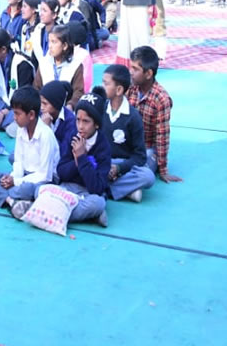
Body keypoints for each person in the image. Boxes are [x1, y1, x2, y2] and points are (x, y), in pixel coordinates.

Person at [0, 86, 58, 217]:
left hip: (43, 181)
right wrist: (12, 177)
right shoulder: (21, 130)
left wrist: (15, 182)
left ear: (31, 115)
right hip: (23, 176)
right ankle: (11, 201)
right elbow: (18, 162)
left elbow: (45, 175)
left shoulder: (46, 135)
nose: (14, 118)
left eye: (17, 114)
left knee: (26, 189)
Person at [57, 90, 111, 227]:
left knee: (98, 203)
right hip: (68, 188)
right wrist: (75, 163)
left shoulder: (103, 146)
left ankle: (59, 214)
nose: (80, 126)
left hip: (88, 192)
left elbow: (97, 188)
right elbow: (61, 172)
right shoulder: (72, 136)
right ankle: (90, 216)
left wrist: (81, 158)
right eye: (78, 120)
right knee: (41, 190)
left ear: (97, 124)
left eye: (86, 121)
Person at [127, 45, 181, 183]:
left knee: (144, 168)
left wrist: (163, 170)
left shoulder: (161, 99)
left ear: (148, 74)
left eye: (135, 69)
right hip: (127, 143)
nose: (131, 72)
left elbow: (162, 136)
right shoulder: (130, 87)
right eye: (131, 67)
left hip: (147, 147)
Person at [102, 64, 155, 202]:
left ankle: (106, 189)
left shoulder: (133, 116)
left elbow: (140, 157)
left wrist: (119, 168)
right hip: (102, 161)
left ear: (119, 90)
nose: (102, 87)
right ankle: (126, 191)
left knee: (147, 176)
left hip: (124, 165)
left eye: (106, 84)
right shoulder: (100, 108)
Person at [34, 24, 84, 109]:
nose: (50, 46)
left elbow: (78, 91)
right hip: (44, 109)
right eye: (49, 42)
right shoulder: (44, 63)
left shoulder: (75, 65)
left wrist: (70, 105)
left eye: (54, 42)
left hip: (66, 109)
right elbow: (36, 88)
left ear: (64, 46)